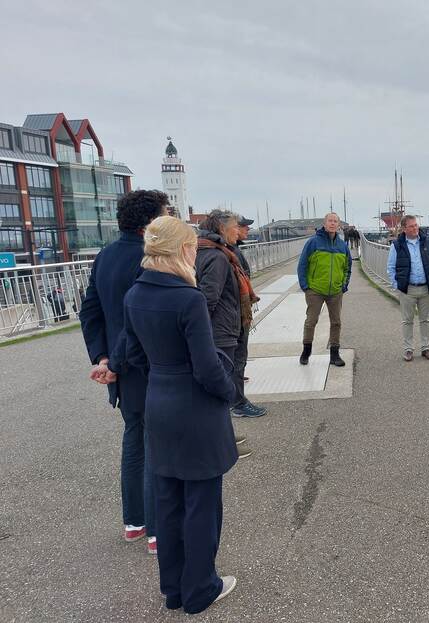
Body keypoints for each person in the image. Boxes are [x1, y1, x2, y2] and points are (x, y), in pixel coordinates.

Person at [106, 216, 238, 613]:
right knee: (202, 502)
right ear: (182, 251)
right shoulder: (188, 298)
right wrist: (229, 393)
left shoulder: (135, 295)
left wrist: (159, 374)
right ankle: (200, 589)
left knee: (168, 500)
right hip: (194, 409)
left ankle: (174, 589)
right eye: (193, 249)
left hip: (158, 402)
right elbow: (206, 368)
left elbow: (131, 354)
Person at [80, 189, 167, 554]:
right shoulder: (149, 259)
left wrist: (102, 359)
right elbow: (139, 322)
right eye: (165, 214)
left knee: (134, 441)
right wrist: (115, 362)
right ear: (151, 221)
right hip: (146, 366)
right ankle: (157, 532)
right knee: (157, 445)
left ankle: (134, 522)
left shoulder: (105, 257)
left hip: (119, 369)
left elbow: (90, 311)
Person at [196, 210, 265, 422]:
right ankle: (236, 406)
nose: (239, 230)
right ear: (223, 229)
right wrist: (202, 333)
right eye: (236, 226)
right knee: (230, 369)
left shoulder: (212, 251)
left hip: (226, 323)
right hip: (224, 328)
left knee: (229, 370)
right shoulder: (218, 257)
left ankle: (234, 407)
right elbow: (208, 299)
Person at [297, 212, 352, 366]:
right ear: (325, 223)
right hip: (315, 290)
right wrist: (305, 286)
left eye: (335, 221)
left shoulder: (342, 246)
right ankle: (306, 350)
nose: (333, 223)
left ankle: (334, 354)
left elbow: (348, 267)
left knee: (336, 322)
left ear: (339, 225)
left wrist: (343, 285)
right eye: (330, 221)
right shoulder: (313, 242)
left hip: (335, 291)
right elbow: (302, 265)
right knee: (311, 321)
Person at [386, 215, 429, 361]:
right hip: (407, 289)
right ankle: (408, 349)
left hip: (426, 288)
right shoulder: (397, 245)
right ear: (404, 229)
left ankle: (426, 348)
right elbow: (391, 268)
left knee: (426, 319)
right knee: (407, 320)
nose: (415, 228)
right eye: (411, 226)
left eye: (416, 225)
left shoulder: (427, 242)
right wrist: (397, 286)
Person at [232, 216, 254, 387]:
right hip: (236, 307)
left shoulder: (233, 248)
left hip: (239, 305)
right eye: (244, 226)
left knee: (240, 347)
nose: (248, 229)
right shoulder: (229, 250)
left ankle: (238, 376)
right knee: (239, 347)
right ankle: (237, 393)